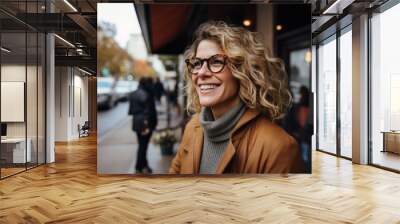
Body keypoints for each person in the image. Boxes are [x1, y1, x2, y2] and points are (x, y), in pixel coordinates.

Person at [169, 21, 304, 174]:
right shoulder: (192, 127)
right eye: (197, 63)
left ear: (242, 71)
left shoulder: (279, 147)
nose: (201, 73)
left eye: (216, 62)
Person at [128, 77, 158, 174]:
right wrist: (147, 125)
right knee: (143, 146)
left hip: (136, 122)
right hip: (145, 123)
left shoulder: (133, 94)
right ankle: (138, 167)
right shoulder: (147, 94)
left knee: (142, 145)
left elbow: (130, 111)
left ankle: (144, 165)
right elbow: (149, 112)